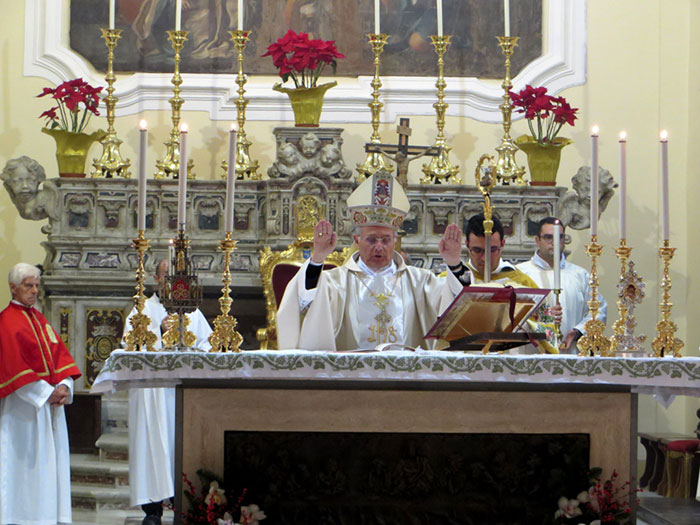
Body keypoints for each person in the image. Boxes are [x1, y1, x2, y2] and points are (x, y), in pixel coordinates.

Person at [276, 171, 465, 351]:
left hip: (407, 375)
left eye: (386, 240)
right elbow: (305, 300)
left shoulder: (420, 281)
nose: (379, 246)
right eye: (372, 239)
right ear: (357, 240)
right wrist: (317, 258)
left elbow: (458, 304)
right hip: (351, 375)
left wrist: (454, 262)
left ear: (395, 241)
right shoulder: (336, 281)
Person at [122, 258, 213, 525]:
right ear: (156, 279)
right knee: (152, 449)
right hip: (152, 395)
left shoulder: (192, 312)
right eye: (167, 277)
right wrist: (161, 335)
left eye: (178, 278)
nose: (174, 283)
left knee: (180, 446)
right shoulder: (141, 312)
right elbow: (130, 347)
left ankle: (182, 506)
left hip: (182, 394)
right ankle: (152, 511)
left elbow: (208, 345)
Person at [0, 263, 82, 525]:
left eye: (37, 286)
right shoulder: (6, 322)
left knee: (49, 469)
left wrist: (65, 386)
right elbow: (13, 367)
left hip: (49, 409)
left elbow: (60, 356)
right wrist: (47, 393)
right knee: (24, 470)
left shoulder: (40, 320)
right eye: (28, 286)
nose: (35, 291)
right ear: (13, 288)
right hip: (23, 412)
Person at [517, 217, 608, 353]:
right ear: (537, 240)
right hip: (532, 354)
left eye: (559, 237)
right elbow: (511, 316)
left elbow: (599, 310)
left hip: (570, 354)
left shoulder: (580, 275)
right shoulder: (520, 274)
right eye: (548, 237)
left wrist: (578, 331)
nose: (554, 242)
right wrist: (543, 317)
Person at [448, 214, 539, 288]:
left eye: (492, 250)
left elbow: (542, 310)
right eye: (477, 250)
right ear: (467, 245)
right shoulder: (451, 280)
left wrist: (551, 311)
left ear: (502, 244)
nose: (485, 258)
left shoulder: (523, 282)